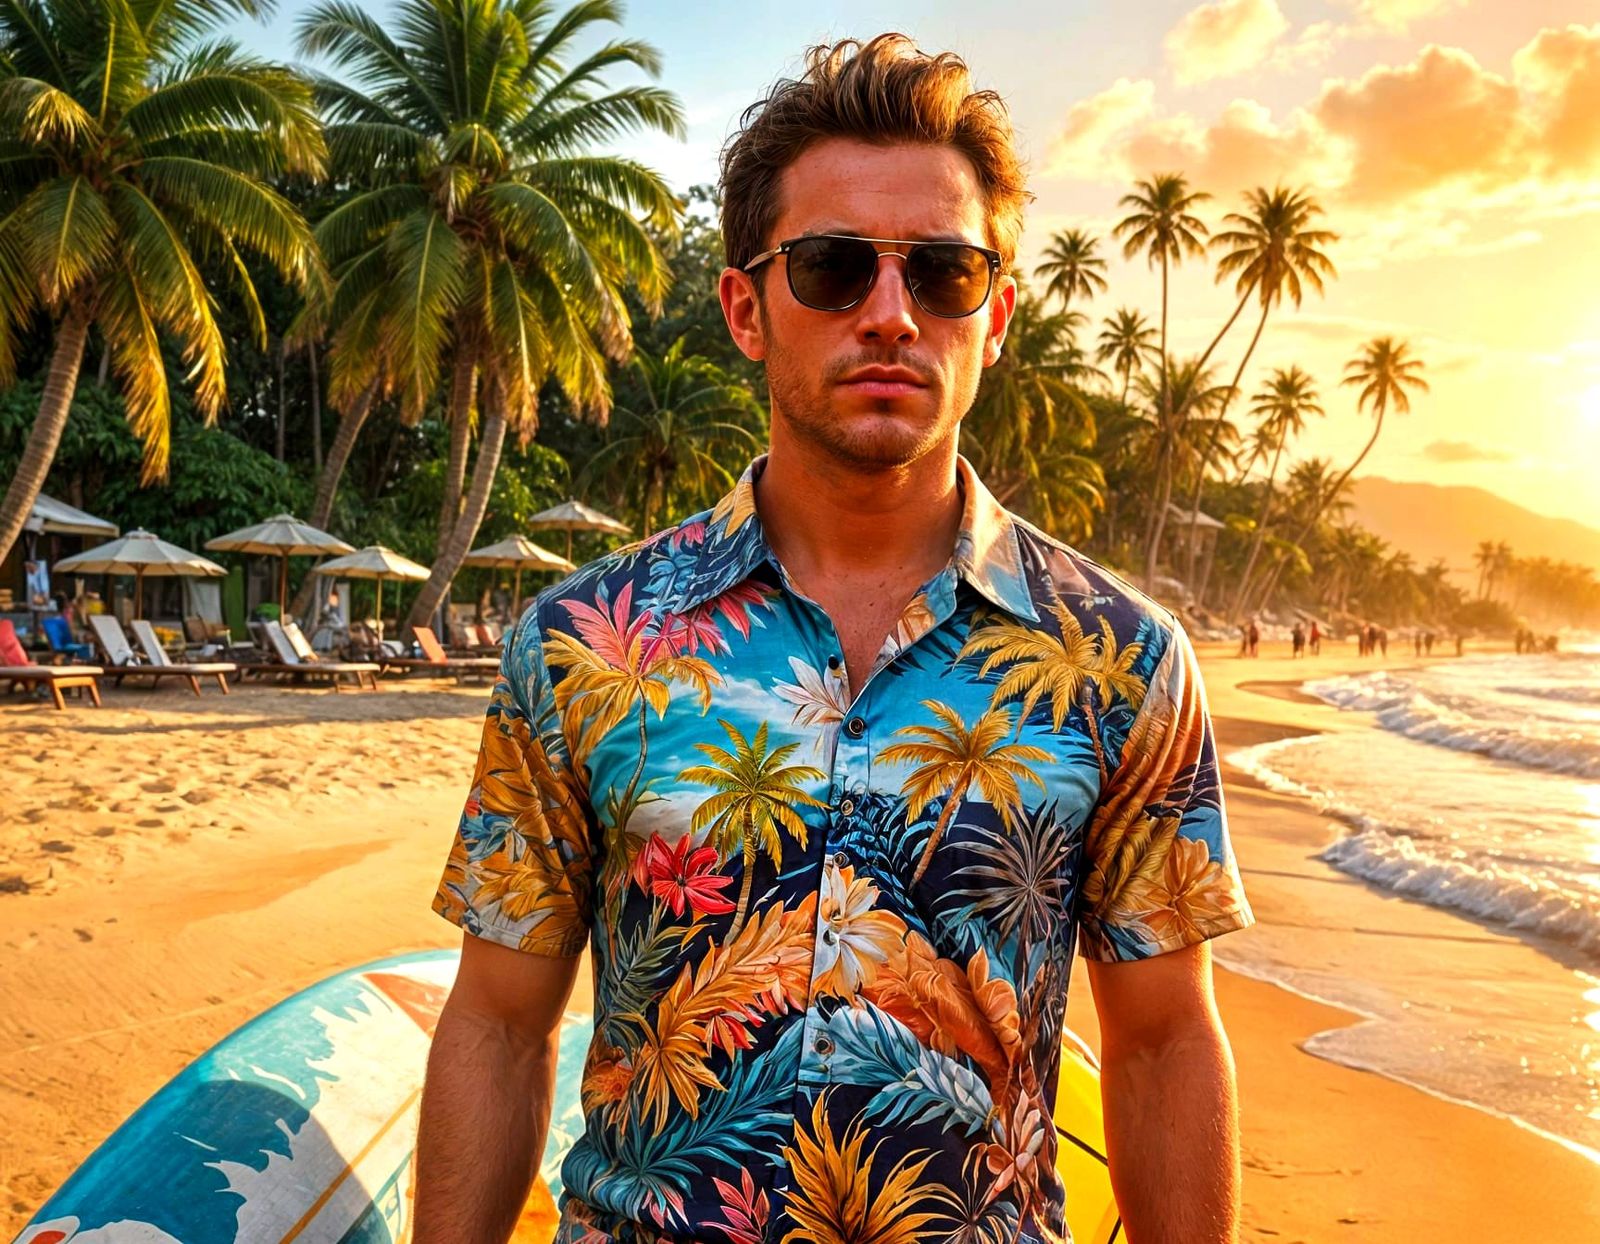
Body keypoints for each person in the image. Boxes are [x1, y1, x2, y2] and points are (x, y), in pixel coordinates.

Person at [415, 35, 1254, 1244]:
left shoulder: (1121, 661)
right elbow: (497, 1017)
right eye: (831, 266)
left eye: (945, 274)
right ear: (747, 307)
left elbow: (1168, 1034)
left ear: (998, 315)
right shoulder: (584, 643)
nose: (890, 312)